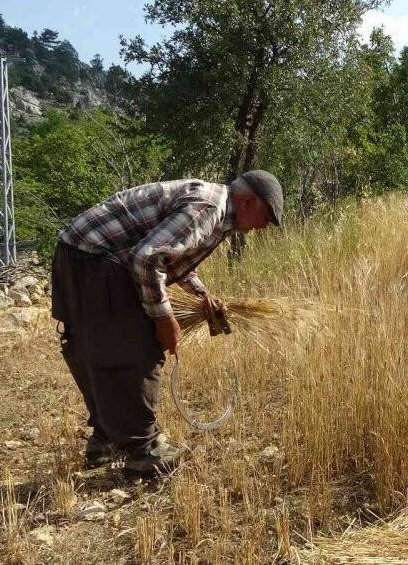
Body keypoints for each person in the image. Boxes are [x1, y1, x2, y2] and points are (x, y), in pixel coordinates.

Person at [51, 170, 283, 476]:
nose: (262, 227)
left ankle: (105, 439)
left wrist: (203, 295)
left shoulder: (216, 209)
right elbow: (146, 259)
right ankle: (143, 452)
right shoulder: (209, 208)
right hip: (96, 260)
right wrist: (164, 318)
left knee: (96, 348)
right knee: (137, 350)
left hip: (76, 253)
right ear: (249, 202)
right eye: (266, 218)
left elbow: (170, 256)